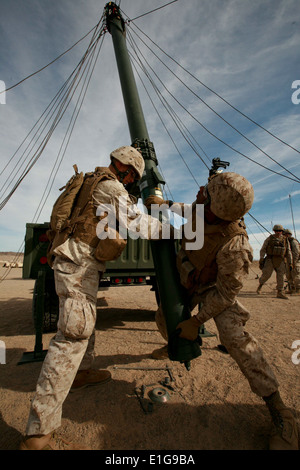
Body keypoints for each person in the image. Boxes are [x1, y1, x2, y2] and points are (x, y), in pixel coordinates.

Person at [20, 145, 163, 450]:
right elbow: (137, 224)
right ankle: (38, 433)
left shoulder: (90, 181)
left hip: (76, 261)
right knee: (72, 336)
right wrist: (175, 229)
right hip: (78, 263)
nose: (129, 183)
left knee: (84, 321)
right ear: (125, 170)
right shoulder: (110, 187)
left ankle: (82, 372)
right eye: (131, 178)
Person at [145, 172, 298, 450]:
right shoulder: (197, 211)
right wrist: (157, 203)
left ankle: (281, 412)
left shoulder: (235, 246)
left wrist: (198, 320)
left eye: (207, 191)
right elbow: (172, 209)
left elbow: (227, 293)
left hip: (216, 290)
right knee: (164, 318)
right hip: (191, 280)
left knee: (236, 340)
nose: (200, 190)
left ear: (216, 208)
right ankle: (177, 343)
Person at [257, 225, 292, 299]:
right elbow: (263, 249)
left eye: (280, 231)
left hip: (280, 260)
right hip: (270, 259)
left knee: (281, 276)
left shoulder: (285, 240)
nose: (278, 232)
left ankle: (280, 292)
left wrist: (290, 262)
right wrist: (261, 258)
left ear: (282, 232)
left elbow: (288, 251)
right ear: (274, 231)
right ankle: (260, 285)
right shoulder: (269, 239)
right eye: (277, 231)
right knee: (266, 275)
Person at [283, 228, 300, 294]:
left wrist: (293, 263)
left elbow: (296, 253)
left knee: (296, 275)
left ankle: (298, 290)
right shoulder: (286, 242)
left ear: (287, 234)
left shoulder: (293, 242)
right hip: (288, 261)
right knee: (289, 275)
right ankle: (292, 289)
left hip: (295, 261)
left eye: (284, 234)